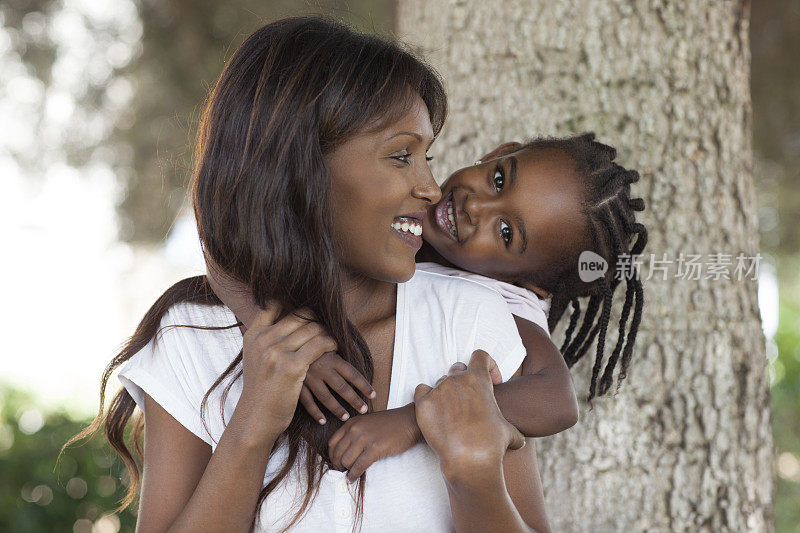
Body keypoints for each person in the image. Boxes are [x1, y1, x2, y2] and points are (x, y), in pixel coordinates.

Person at [62, 15, 551, 532]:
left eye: (427, 156)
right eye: (402, 156)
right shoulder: (193, 337)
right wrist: (251, 425)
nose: (431, 187)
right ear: (301, 168)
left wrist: (475, 475)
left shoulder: (468, 324)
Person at [206, 132, 648, 481]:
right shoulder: (412, 208)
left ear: (530, 283)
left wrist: (413, 421)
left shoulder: (505, 305)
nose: (476, 206)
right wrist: (290, 341)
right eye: (499, 179)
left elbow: (558, 401)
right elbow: (223, 258)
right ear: (500, 151)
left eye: (507, 232)